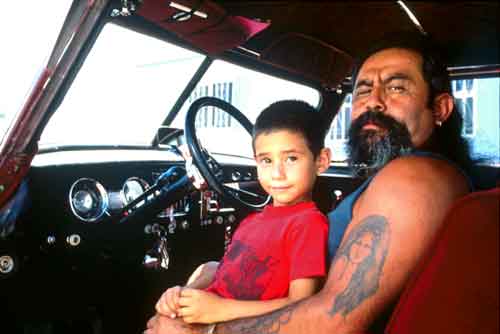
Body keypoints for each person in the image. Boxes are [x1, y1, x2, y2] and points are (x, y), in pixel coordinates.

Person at [144, 31, 471, 334]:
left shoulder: (414, 177)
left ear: (440, 108)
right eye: (363, 89)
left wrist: (203, 330)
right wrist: (218, 271)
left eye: (397, 87)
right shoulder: (406, 177)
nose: (374, 102)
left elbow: (335, 321)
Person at [154, 100, 332, 325]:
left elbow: (302, 304)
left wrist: (220, 310)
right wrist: (180, 296)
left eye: (291, 158)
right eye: (266, 160)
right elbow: (223, 278)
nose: (277, 173)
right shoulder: (252, 221)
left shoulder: (308, 224)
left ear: (321, 160)